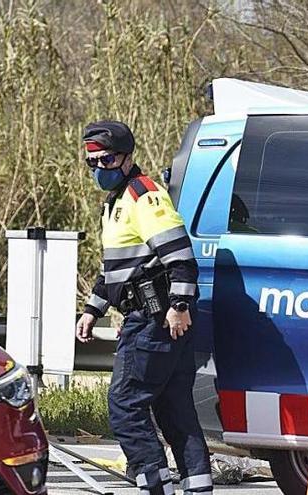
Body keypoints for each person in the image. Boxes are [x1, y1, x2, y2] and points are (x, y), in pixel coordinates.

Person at [75, 121, 212, 495]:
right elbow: (118, 270)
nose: (98, 169)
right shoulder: (115, 202)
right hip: (152, 316)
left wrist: (179, 305)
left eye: (105, 160)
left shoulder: (143, 195)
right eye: (91, 162)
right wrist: (93, 309)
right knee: (174, 409)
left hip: (157, 318)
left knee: (125, 406)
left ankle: (154, 486)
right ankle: (197, 487)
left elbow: (181, 256)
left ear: (126, 157)